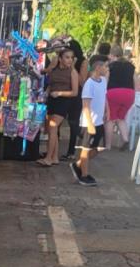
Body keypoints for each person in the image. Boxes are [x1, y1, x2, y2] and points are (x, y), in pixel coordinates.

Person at [72, 55, 110, 186]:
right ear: (98, 67)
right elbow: (86, 106)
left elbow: (104, 97)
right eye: (105, 66)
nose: (107, 69)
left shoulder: (103, 81)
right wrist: (89, 123)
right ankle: (84, 175)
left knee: (98, 148)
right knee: (86, 148)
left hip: (99, 120)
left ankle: (79, 165)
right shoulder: (89, 84)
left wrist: (107, 111)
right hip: (90, 122)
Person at [37, 47, 79, 166]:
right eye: (67, 57)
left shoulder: (72, 72)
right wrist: (47, 92)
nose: (70, 60)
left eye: (71, 57)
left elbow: (75, 92)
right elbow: (49, 79)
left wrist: (59, 93)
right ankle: (54, 157)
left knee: (53, 127)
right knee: (52, 130)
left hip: (64, 101)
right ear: (60, 59)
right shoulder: (54, 70)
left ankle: (48, 158)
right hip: (52, 100)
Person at [105, 45, 136, 149]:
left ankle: (108, 145)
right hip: (129, 94)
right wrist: (134, 93)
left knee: (110, 119)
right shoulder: (131, 66)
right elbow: (135, 81)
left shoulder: (111, 66)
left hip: (114, 92)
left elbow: (106, 80)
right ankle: (125, 139)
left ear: (112, 55)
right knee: (120, 118)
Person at [62, 40, 89, 160]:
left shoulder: (83, 62)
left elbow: (82, 81)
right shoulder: (62, 60)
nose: (69, 58)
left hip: (76, 94)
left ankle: (71, 151)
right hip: (63, 92)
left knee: (73, 123)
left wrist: (73, 67)